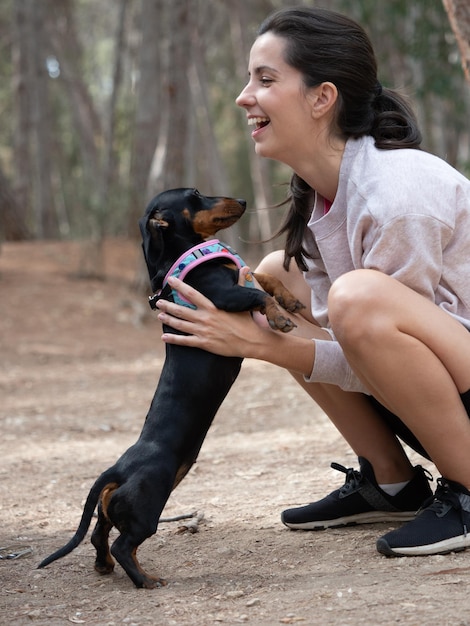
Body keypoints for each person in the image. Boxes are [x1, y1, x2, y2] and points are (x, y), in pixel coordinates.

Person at [155, 6, 470, 557]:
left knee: (357, 299)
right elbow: (373, 359)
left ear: (322, 98)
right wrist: (273, 335)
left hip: (456, 389)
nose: (244, 96)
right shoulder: (329, 188)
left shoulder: (396, 196)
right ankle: (392, 483)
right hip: (450, 387)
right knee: (275, 274)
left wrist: (266, 347)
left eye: (265, 79)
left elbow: (392, 352)